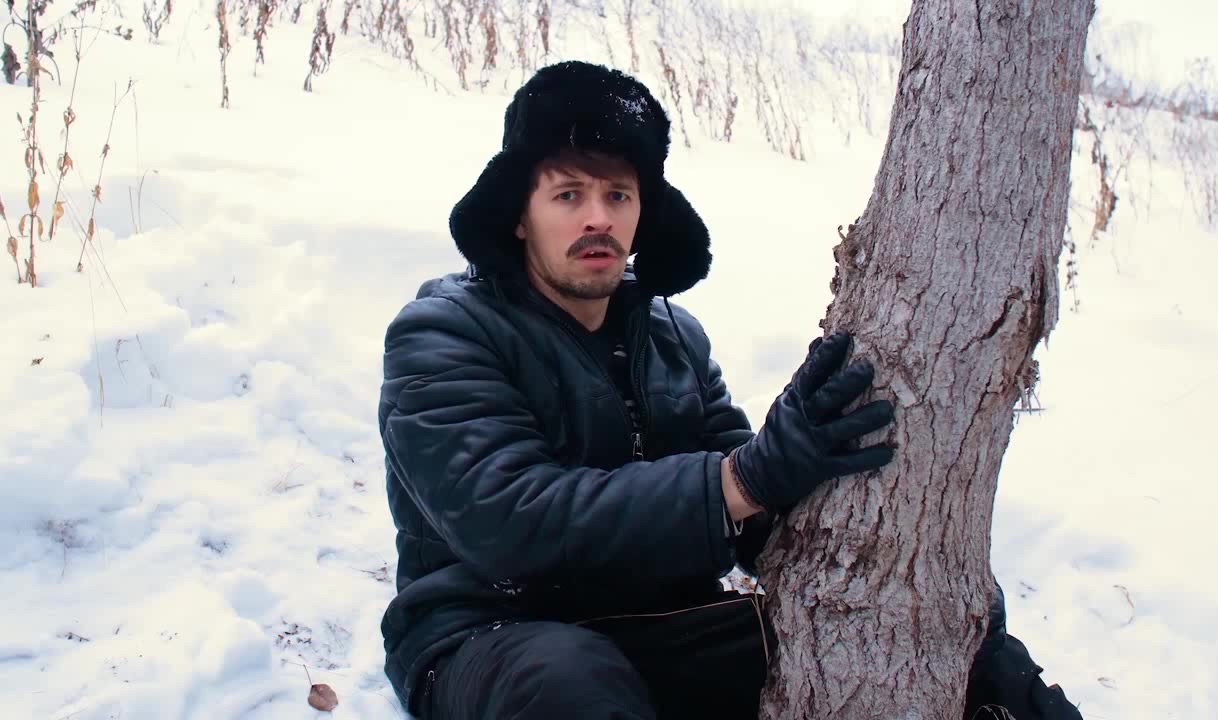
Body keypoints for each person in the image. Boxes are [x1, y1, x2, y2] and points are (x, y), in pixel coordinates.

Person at [377, 60, 1082, 720]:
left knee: (952, 651)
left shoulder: (673, 337)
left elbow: (756, 504)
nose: (598, 218)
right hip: (489, 633)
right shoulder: (442, 333)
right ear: (518, 213)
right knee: (571, 682)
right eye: (569, 194)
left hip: (656, 625)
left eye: (618, 194)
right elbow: (510, 522)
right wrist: (739, 480)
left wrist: (929, 585)